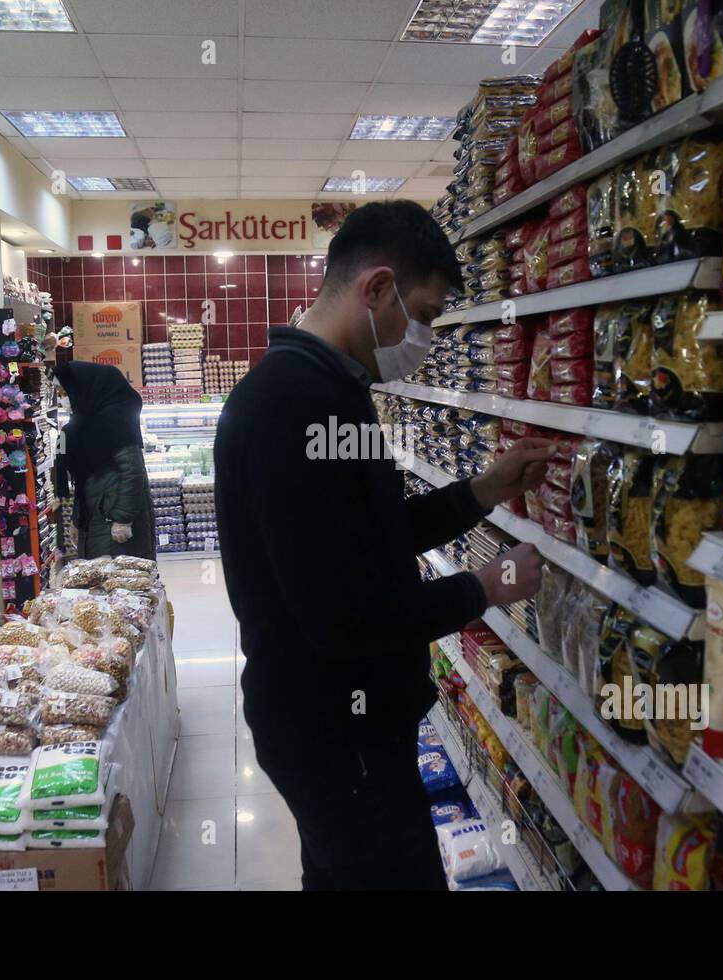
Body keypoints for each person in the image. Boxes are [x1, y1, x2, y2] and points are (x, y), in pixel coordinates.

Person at [214, 201, 553, 890]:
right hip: (337, 733)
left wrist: (480, 492)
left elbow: (371, 536)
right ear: (375, 290)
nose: (423, 334)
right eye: (423, 314)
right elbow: (349, 619)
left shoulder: (326, 389)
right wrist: (485, 589)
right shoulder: (298, 405)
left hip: (334, 721)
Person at [53, 361, 156, 561]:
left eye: (65, 392)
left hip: (113, 520)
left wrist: (122, 519)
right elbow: (83, 480)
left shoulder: (117, 421)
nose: (62, 399)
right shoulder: (84, 424)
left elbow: (132, 471)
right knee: (100, 581)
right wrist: (77, 520)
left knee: (122, 582)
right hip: (94, 518)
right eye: (59, 394)